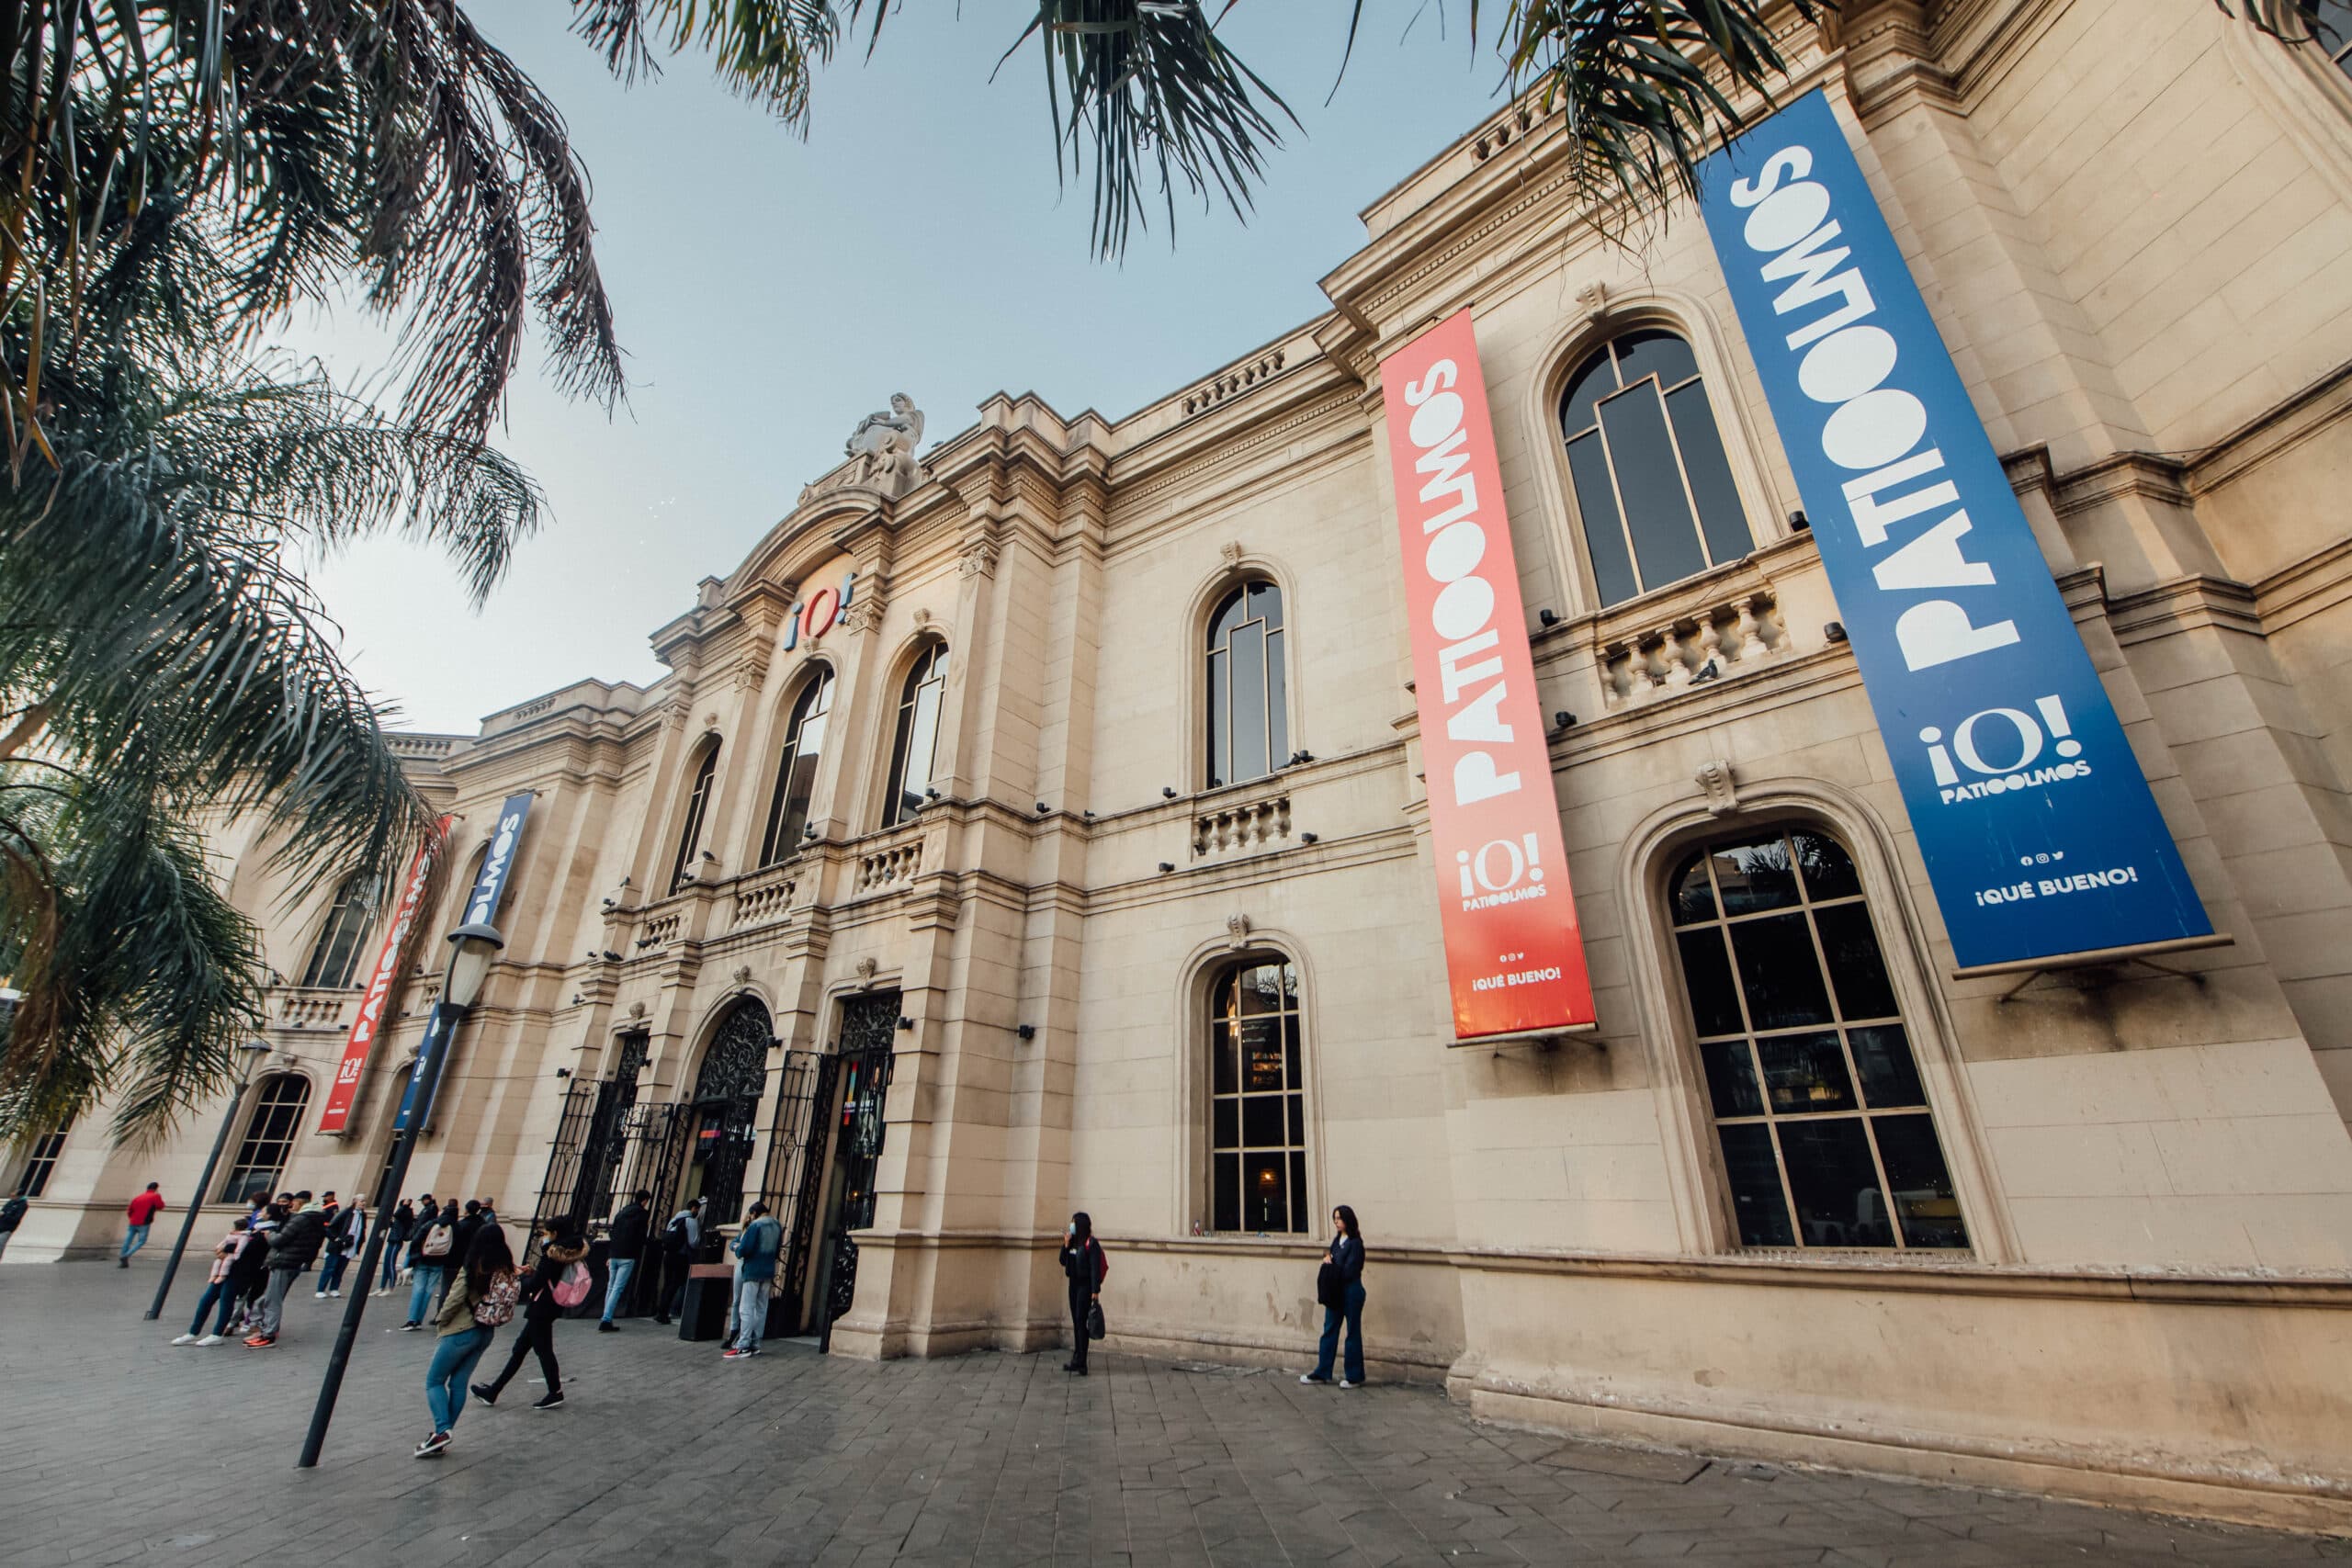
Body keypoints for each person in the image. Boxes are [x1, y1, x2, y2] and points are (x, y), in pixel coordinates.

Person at [417, 1226, 518, 1459]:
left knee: (434, 1381)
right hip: (486, 1332)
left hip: (462, 1329)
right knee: (459, 1383)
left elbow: (454, 1299)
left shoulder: (474, 1265)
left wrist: (442, 1320)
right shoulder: (505, 1268)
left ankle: (442, 1430)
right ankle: (442, 1436)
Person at [471, 1221, 584, 1410]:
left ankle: (555, 1391)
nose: (544, 1235)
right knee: (521, 1349)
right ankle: (493, 1391)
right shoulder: (569, 1251)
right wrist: (534, 1273)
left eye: (547, 1232)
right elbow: (548, 1277)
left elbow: (536, 1284)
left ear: (555, 1233)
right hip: (550, 1305)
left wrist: (520, 1277)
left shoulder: (553, 1254)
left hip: (541, 1307)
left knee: (542, 1350)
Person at [1300, 1204, 1367, 1389]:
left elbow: (1350, 1270)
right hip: (1336, 1293)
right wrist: (1329, 1260)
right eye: (1335, 1218)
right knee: (1329, 1330)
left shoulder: (1355, 1244)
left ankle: (1354, 1375)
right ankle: (1322, 1371)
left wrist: (1331, 1264)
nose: (1336, 1222)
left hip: (1351, 1292)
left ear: (1348, 1220)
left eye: (1339, 1218)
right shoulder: (1337, 1241)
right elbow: (1335, 1261)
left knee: (1352, 1332)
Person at [247, 1191, 327, 1347]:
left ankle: (268, 1334)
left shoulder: (300, 1219)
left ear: (300, 1203)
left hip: (284, 1261)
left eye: (294, 1203)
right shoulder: (315, 1219)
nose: (292, 1206)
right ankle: (261, 1325)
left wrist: (269, 1234)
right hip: (295, 1261)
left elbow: (279, 1240)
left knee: (273, 1300)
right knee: (269, 1298)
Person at [174, 1218, 255, 1345]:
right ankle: (193, 1332)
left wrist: (228, 1248)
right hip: (223, 1271)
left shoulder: (253, 1236)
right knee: (206, 1300)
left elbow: (244, 1251)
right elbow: (224, 1247)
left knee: (226, 1301)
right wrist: (225, 1249)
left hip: (238, 1273)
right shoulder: (242, 1234)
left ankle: (217, 1334)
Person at [724, 1202, 784, 1360]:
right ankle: (756, 1343)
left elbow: (744, 1249)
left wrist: (737, 1249)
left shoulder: (755, 1226)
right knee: (761, 1308)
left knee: (746, 1307)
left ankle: (743, 1344)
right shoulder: (777, 1225)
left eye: (751, 1214)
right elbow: (778, 1249)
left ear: (755, 1213)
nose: (750, 1217)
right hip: (768, 1270)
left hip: (753, 1270)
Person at [1057, 1212, 1107, 1376]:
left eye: (1073, 1223)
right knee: (1076, 1322)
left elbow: (1094, 1268)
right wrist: (1065, 1244)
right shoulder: (1072, 1243)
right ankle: (1077, 1357)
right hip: (1073, 1284)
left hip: (1085, 1287)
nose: (1071, 1226)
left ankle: (1082, 1361)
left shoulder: (1090, 1244)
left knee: (1081, 1321)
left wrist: (1095, 1291)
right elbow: (1063, 1261)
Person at [403, 1199, 459, 1329]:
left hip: (424, 1259)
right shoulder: (456, 1227)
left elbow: (416, 1241)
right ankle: (419, 1320)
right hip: (439, 1261)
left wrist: (413, 1258)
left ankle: (412, 1319)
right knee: (428, 1291)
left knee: (418, 1289)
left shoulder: (431, 1224)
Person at [600, 1190, 651, 1331]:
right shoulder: (642, 1214)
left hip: (615, 1253)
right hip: (628, 1256)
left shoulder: (622, 1212)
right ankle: (606, 1319)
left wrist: (610, 1254)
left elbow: (613, 1232)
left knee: (611, 1287)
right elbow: (641, 1236)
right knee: (617, 1288)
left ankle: (606, 1317)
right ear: (645, 1200)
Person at [654, 1197, 701, 1325]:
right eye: (697, 1209)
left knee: (667, 1283)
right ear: (694, 1208)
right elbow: (693, 1242)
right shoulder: (691, 1221)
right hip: (681, 1256)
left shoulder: (674, 1219)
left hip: (669, 1255)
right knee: (677, 1284)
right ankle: (672, 1310)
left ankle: (661, 1311)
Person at [317, 1193, 367, 1298]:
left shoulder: (362, 1215)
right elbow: (330, 1227)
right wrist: (336, 1239)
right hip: (338, 1246)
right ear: (355, 1201)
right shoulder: (346, 1213)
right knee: (330, 1267)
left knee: (340, 1269)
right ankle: (320, 1289)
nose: (363, 1203)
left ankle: (334, 1288)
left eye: (364, 1201)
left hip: (350, 1246)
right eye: (361, 1201)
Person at [119, 1182, 165, 1267]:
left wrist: (132, 1218)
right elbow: (160, 1206)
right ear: (156, 1189)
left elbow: (130, 1210)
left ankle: (123, 1257)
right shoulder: (155, 1196)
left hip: (133, 1221)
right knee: (141, 1241)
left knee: (128, 1240)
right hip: (144, 1222)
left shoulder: (137, 1197)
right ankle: (126, 1256)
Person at [376, 1200, 417, 1295]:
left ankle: (390, 1288)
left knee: (391, 1264)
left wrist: (404, 1206)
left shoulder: (406, 1213)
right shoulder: (402, 1214)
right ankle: (381, 1287)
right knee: (386, 1264)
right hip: (392, 1239)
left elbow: (397, 1214)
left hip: (397, 1240)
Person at [0, 1192, 27, 1261]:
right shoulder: (10, 1202)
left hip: (7, 1229)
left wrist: (4, 1215)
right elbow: (3, 1210)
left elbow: (16, 1219)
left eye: (13, 1196)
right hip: (1, 1225)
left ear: (19, 1196)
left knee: (0, 1244)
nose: (11, 1197)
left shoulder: (23, 1205)